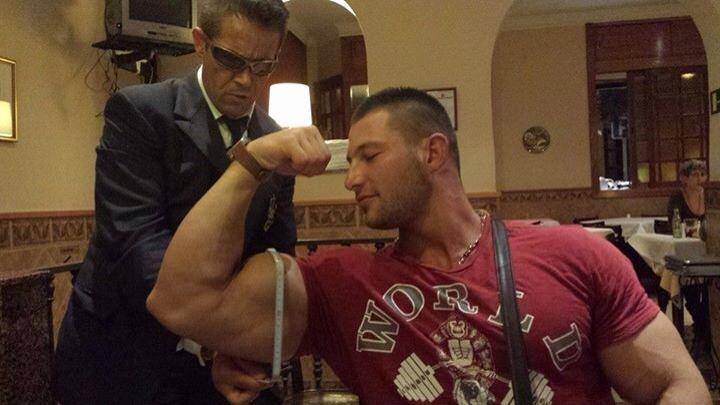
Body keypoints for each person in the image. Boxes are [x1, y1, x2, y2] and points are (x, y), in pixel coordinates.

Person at [147, 87, 709, 404]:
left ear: (433, 153)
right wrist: (253, 161)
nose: (352, 178)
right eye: (350, 161)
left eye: (369, 156)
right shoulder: (341, 284)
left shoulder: (572, 254)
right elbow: (179, 301)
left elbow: (678, 383)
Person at [53, 1, 295, 403]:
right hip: (123, 358)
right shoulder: (140, 112)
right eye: (231, 60)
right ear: (201, 42)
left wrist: (245, 344)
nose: (245, 80)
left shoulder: (273, 138)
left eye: (262, 67)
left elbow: (273, 256)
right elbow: (137, 249)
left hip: (216, 358)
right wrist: (215, 345)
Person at [667, 159, 710, 359]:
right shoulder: (677, 196)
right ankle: (703, 329)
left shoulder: (709, 196)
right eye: (694, 174)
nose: (699, 178)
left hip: (708, 251)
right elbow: (673, 223)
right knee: (688, 285)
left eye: (702, 174)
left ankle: (705, 330)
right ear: (684, 178)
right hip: (686, 252)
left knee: (711, 287)